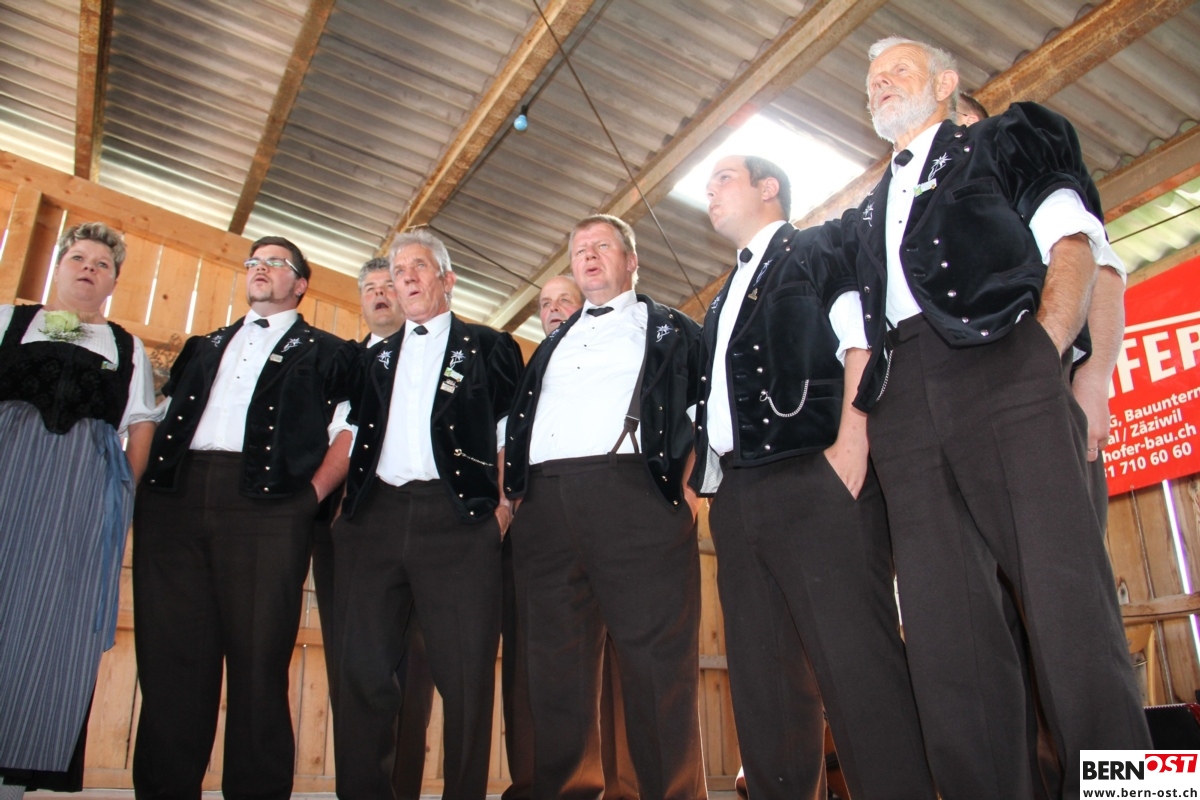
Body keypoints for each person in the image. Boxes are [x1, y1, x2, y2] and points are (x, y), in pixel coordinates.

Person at [846, 36, 1150, 799]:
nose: (881, 84)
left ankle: (1132, 792)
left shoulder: (1006, 137)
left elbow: (1075, 240)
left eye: (898, 71)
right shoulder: (864, 211)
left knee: (1069, 604)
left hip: (1006, 361)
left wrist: (1045, 347)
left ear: (945, 83)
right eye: (872, 80)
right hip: (905, 405)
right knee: (947, 634)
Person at [692, 154, 934, 799]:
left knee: (858, 668)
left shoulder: (819, 247)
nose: (709, 190)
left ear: (768, 187)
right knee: (764, 685)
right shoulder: (720, 298)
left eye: (723, 178)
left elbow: (861, 342)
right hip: (738, 494)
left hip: (815, 478)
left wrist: (850, 449)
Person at [133, 236, 356, 800]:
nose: (260, 268)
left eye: (275, 263)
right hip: (175, 499)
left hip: (268, 506)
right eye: (254, 261)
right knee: (170, 659)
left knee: (260, 661)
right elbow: (155, 416)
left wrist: (308, 499)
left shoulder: (331, 352)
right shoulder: (203, 344)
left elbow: (350, 432)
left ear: (300, 284)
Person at [505, 215, 707, 800]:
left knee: (656, 666)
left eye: (602, 246)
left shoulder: (674, 329)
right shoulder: (553, 342)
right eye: (579, 251)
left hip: (634, 496)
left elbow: (708, 409)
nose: (588, 256)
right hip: (545, 506)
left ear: (632, 260)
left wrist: (690, 493)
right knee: (555, 669)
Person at [332, 229, 524, 800]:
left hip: (458, 519)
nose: (407, 277)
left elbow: (509, 433)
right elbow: (348, 437)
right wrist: (345, 514)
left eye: (419, 266)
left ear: (447, 278)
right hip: (376, 517)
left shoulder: (488, 346)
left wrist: (503, 509)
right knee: (361, 671)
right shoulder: (373, 358)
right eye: (399, 271)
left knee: (464, 678)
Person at [0, 223, 157, 800]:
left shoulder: (127, 348)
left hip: (79, 497)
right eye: (78, 258)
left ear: (114, 280)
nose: (89, 268)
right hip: (4, 477)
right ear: (59, 266)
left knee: (55, 617)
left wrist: (122, 494)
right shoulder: (9, 322)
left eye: (102, 264)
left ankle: (15, 773)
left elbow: (141, 424)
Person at [527, 274, 639, 800]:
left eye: (563, 301)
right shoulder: (541, 367)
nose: (553, 310)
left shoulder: (630, 340)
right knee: (563, 664)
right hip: (549, 511)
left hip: (621, 501)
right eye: (544, 303)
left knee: (630, 663)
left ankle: (630, 788)